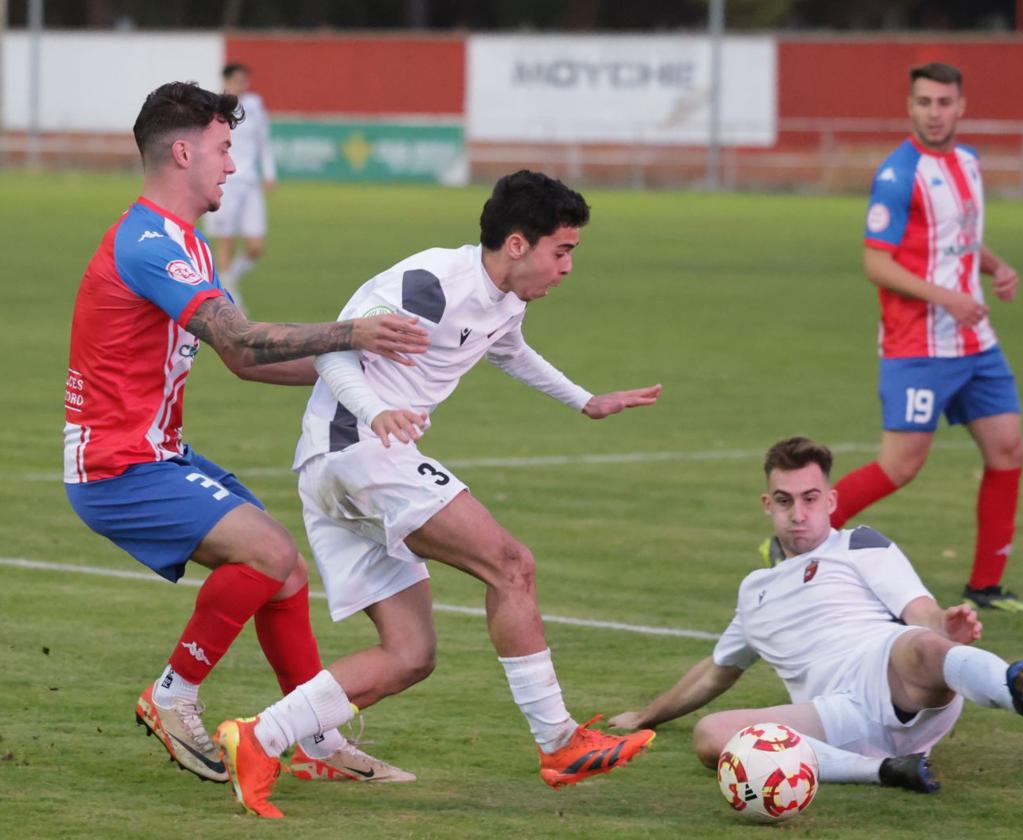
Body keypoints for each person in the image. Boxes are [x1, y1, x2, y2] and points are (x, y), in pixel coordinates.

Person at [214, 170, 663, 819]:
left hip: (342, 465)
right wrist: (375, 414)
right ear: (517, 244)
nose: (567, 267)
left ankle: (260, 738)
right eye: (561, 250)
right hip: (358, 450)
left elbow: (509, 350)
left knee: (409, 654)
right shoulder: (428, 283)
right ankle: (560, 742)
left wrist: (585, 401)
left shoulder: (503, 300)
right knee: (511, 565)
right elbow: (336, 350)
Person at [63, 81, 429, 787]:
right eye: (223, 149)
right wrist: (353, 333)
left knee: (284, 573)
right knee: (268, 552)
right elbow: (243, 337)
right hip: (117, 466)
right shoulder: (146, 243)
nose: (233, 164)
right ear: (181, 151)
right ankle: (171, 696)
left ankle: (316, 742)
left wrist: (368, 384)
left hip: (155, 454)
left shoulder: (188, 244)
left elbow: (239, 359)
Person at [614, 436, 1023, 793]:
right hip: (834, 718)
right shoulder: (754, 590)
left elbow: (921, 610)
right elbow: (716, 672)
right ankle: (888, 771)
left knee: (921, 643)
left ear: (831, 500)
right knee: (713, 735)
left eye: (810, 498)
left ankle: (1020, 691)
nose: (799, 513)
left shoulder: (859, 544)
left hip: (893, 678)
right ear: (767, 505)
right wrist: (645, 717)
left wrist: (941, 626)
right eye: (785, 500)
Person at [771, 62, 1023, 612]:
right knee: (901, 466)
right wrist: (950, 299)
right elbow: (876, 263)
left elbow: (958, 239)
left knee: (1008, 449)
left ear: (961, 107)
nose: (933, 113)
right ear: (910, 107)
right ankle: (790, 545)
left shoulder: (968, 162)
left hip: (974, 340)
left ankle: (986, 585)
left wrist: (994, 266)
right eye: (923, 103)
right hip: (917, 343)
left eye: (943, 103)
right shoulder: (899, 173)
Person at [205, 63, 276, 312]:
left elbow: (263, 141)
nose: (242, 85)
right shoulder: (214, 107)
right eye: (237, 80)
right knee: (226, 242)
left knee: (256, 246)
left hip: (250, 182)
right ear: (226, 81)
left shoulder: (255, 105)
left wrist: (269, 172)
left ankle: (226, 282)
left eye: (245, 80)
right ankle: (231, 303)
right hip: (225, 182)